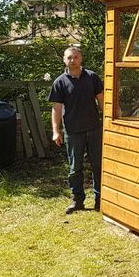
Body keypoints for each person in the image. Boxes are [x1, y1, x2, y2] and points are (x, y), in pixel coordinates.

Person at [49, 45, 104, 214]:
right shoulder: (60, 82)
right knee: (75, 168)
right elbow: (56, 108)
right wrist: (56, 131)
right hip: (73, 131)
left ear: (81, 59)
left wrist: (109, 122)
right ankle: (77, 200)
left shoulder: (92, 77)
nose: (72, 60)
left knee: (98, 166)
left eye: (75, 57)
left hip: (95, 129)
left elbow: (103, 101)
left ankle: (100, 200)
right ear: (64, 60)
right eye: (69, 58)